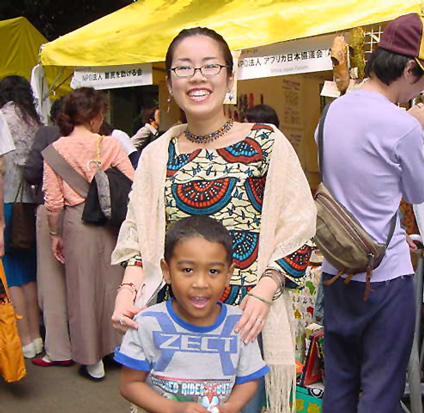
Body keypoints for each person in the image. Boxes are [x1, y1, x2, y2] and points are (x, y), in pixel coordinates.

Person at [111, 27, 316, 412]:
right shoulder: (157, 155)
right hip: (176, 324)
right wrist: (127, 292)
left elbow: (300, 226)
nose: (198, 77)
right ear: (170, 83)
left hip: (246, 322)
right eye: (184, 68)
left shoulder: (265, 142)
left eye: (210, 66)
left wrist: (264, 290)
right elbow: (139, 233)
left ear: (229, 76)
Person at [318, 13, 424, 412]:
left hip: (334, 268)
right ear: (409, 69)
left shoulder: (334, 111)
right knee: (381, 389)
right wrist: (409, 126)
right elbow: (419, 191)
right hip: (384, 273)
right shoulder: (403, 125)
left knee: (340, 384)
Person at [115, 216, 269, 413]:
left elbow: (248, 379)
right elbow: (129, 385)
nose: (200, 283)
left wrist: (233, 406)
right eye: (187, 270)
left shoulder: (239, 324)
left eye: (213, 271)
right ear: (167, 271)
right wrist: (173, 408)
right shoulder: (147, 323)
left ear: (229, 274)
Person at [42, 87, 134, 381]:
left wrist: (55, 235)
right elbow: (132, 183)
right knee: (114, 287)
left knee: (81, 292)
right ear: (96, 116)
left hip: (76, 223)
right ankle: (118, 347)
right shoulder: (109, 144)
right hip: (109, 224)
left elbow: (53, 202)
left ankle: (92, 359)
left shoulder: (55, 151)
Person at [23, 97, 73, 367]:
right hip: (87, 215)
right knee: (85, 283)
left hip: (52, 212)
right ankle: (90, 345)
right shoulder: (102, 136)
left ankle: (59, 350)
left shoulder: (47, 134)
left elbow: (31, 172)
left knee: (52, 283)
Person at [0, 75, 43, 359]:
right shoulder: (34, 121)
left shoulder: (3, 117)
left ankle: (24, 339)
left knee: (12, 275)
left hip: (8, 205)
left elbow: (1, 169)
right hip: (32, 204)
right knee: (30, 272)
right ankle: (38, 336)